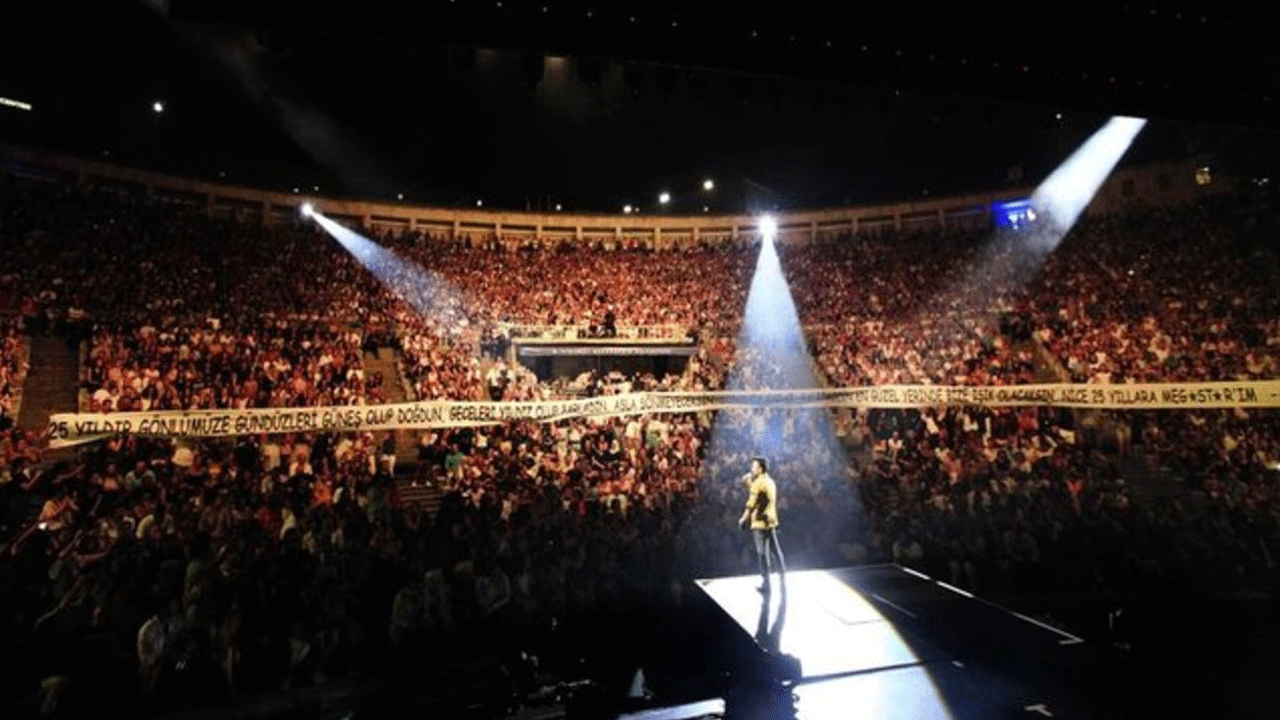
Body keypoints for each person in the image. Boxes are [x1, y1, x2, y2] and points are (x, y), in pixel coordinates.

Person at [739, 456, 784, 593]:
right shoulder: (770, 481)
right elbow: (745, 483)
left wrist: (743, 519)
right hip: (771, 521)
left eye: (753, 467)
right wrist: (750, 477)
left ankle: (766, 582)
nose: (751, 469)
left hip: (759, 522)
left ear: (760, 468)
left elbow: (751, 504)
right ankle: (782, 576)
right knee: (775, 550)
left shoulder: (758, 483)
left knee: (762, 553)